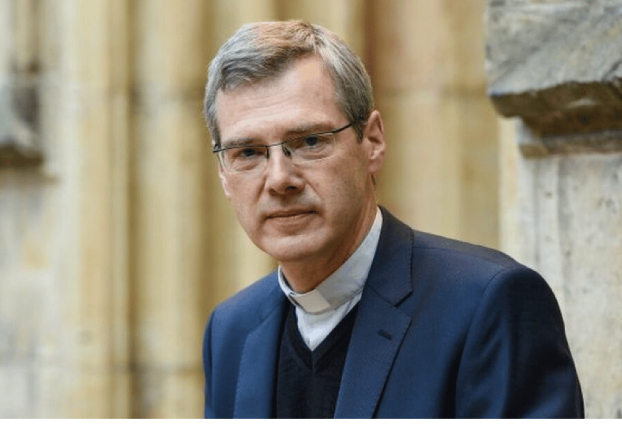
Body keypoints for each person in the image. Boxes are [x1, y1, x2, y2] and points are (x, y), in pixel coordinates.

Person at [201, 20, 583, 419]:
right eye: (248, 153)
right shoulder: (230, 331)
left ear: (372, 142)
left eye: (310, 141)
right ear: (224, 174)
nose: (280, 179)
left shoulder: (488, 305)